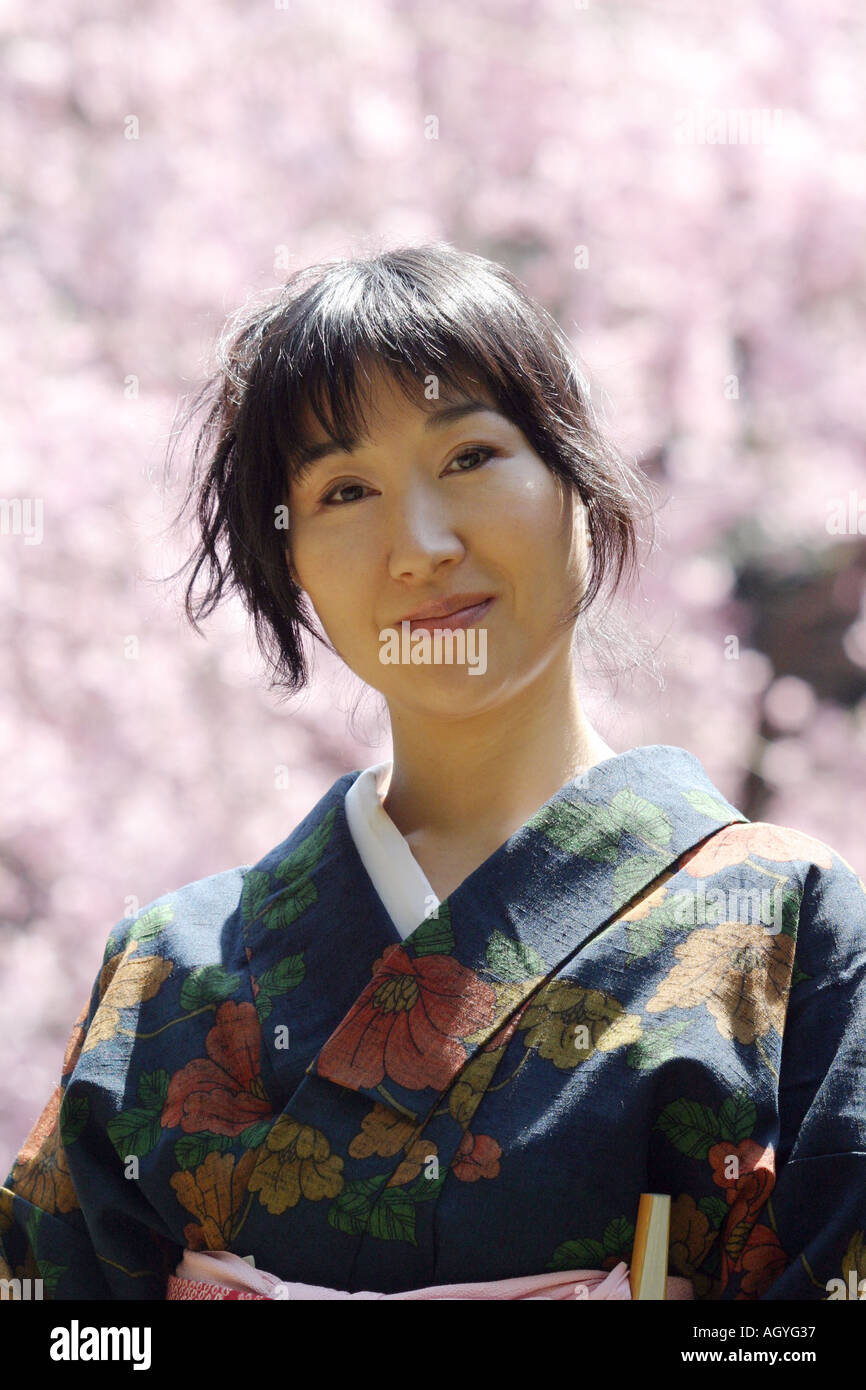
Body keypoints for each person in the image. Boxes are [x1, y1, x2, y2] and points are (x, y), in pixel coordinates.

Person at [2, 243, 864, 1302]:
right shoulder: (166, 976)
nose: (418, 546)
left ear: (575, 480)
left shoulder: (783, 925)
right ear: (292, 567)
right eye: (345, 489)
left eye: (469, 458)